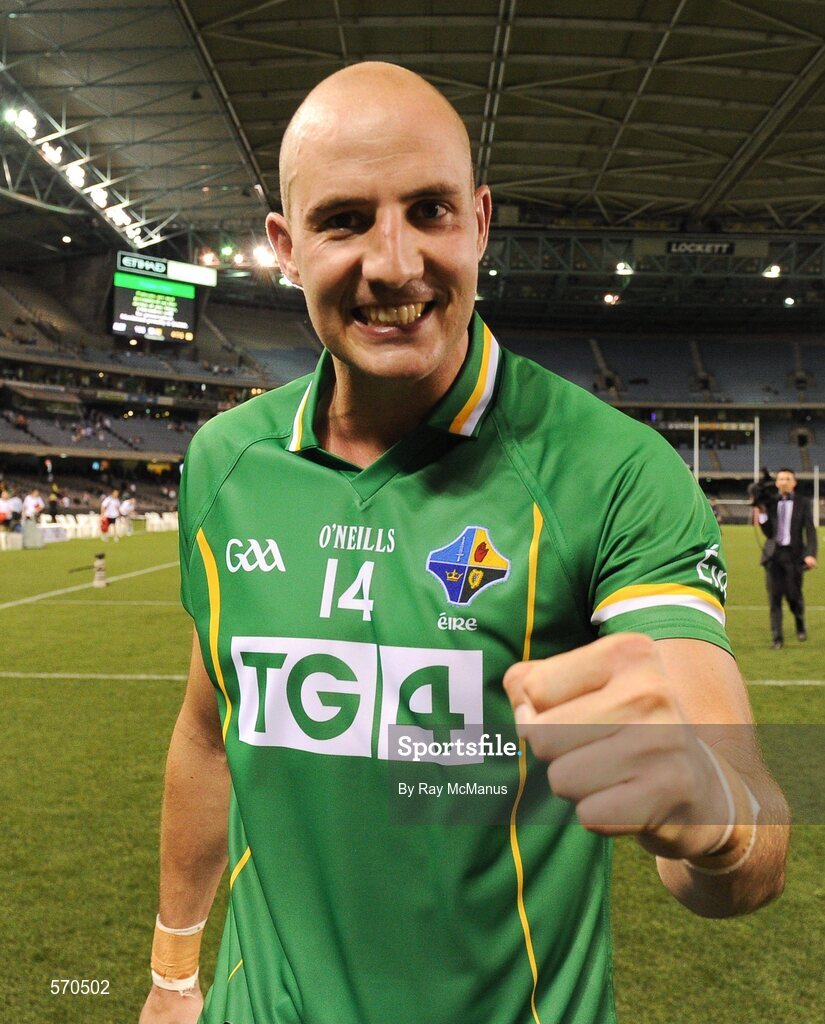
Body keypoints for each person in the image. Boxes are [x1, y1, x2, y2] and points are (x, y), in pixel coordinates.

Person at [140, 63, 789, 1024]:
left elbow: (749, 847)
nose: (393, 263)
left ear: (479, 221)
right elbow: (207, 730)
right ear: (284, 246)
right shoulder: (227, 461)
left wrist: (716, 821)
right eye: (344, 219)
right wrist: (171, 974)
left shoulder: (613, 472)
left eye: (430, 210)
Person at [754, 467, 817, 649]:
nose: (784, 482)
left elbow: (810, 530)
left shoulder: (803, 502)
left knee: (793, 596)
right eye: (781, 479)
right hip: (773, 555)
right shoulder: (770, 501)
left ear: (794, 482)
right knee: (774, 598)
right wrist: (762, 511)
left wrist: (811, 554)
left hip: (794, 556)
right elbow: (768, 533)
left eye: (788, 478)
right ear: (776, 482)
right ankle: (777, 638)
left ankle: (799, 622)